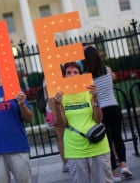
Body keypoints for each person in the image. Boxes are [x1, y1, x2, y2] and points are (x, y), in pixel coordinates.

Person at [53, 61, 113, 183]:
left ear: (80, 75)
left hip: (98, 146)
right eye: (68, 73)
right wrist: (57, 105)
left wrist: (95, 99)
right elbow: (61, 125)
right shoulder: (60, 96)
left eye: (75, 72)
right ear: (64, 77)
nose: (72, 75)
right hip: (75, 149)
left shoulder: (89, 92)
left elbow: (98, 119)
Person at [83, 46, 133, 182]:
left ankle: (115, 173)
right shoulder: (108, 70)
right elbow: (113, 77)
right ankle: (124, 166)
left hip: (101, 109)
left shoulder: (87, 77)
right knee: (118, 137)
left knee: (107, 142)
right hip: (114, 106)